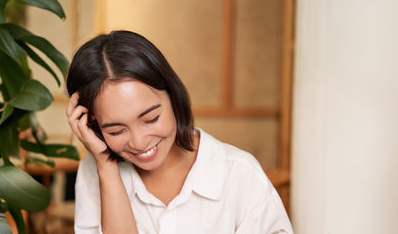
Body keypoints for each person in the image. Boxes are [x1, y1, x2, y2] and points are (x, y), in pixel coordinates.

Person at [65, 30, 293, 234]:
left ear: (173, 96)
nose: (139, 141)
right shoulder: (97, 171)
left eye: (151, 118)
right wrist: (106, 166)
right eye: (115, 131)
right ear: (93, 124)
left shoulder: (239, 173)